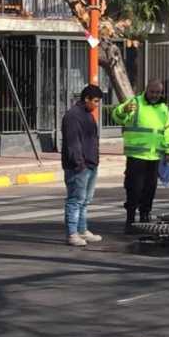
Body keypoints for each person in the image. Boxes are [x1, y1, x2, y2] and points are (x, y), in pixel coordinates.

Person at [111, 79, 169, 234]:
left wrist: (168, 151)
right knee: (134, 189)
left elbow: (168, 130)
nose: (155, 95)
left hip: (154, 156)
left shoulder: (163, 108)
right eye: (152, 92)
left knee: (150, 189)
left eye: (158, 92)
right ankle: (130, 220)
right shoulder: (135, 102)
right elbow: (117, 116)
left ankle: (145, 217)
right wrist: (124, 110)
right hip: (136, 155)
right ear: (146, 90)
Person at [61, 85, 103, 247]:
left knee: (85, 200)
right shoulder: (73, 116)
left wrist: (95, 161)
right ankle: (72, 234)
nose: (97, 105)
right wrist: (79, 164)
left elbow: (92, 140)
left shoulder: (88, 115)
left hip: (90, 164)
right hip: (78, 167)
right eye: (96, 101)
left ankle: (82, 230)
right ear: (86, 99)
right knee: (75, 200)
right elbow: (73, 143)